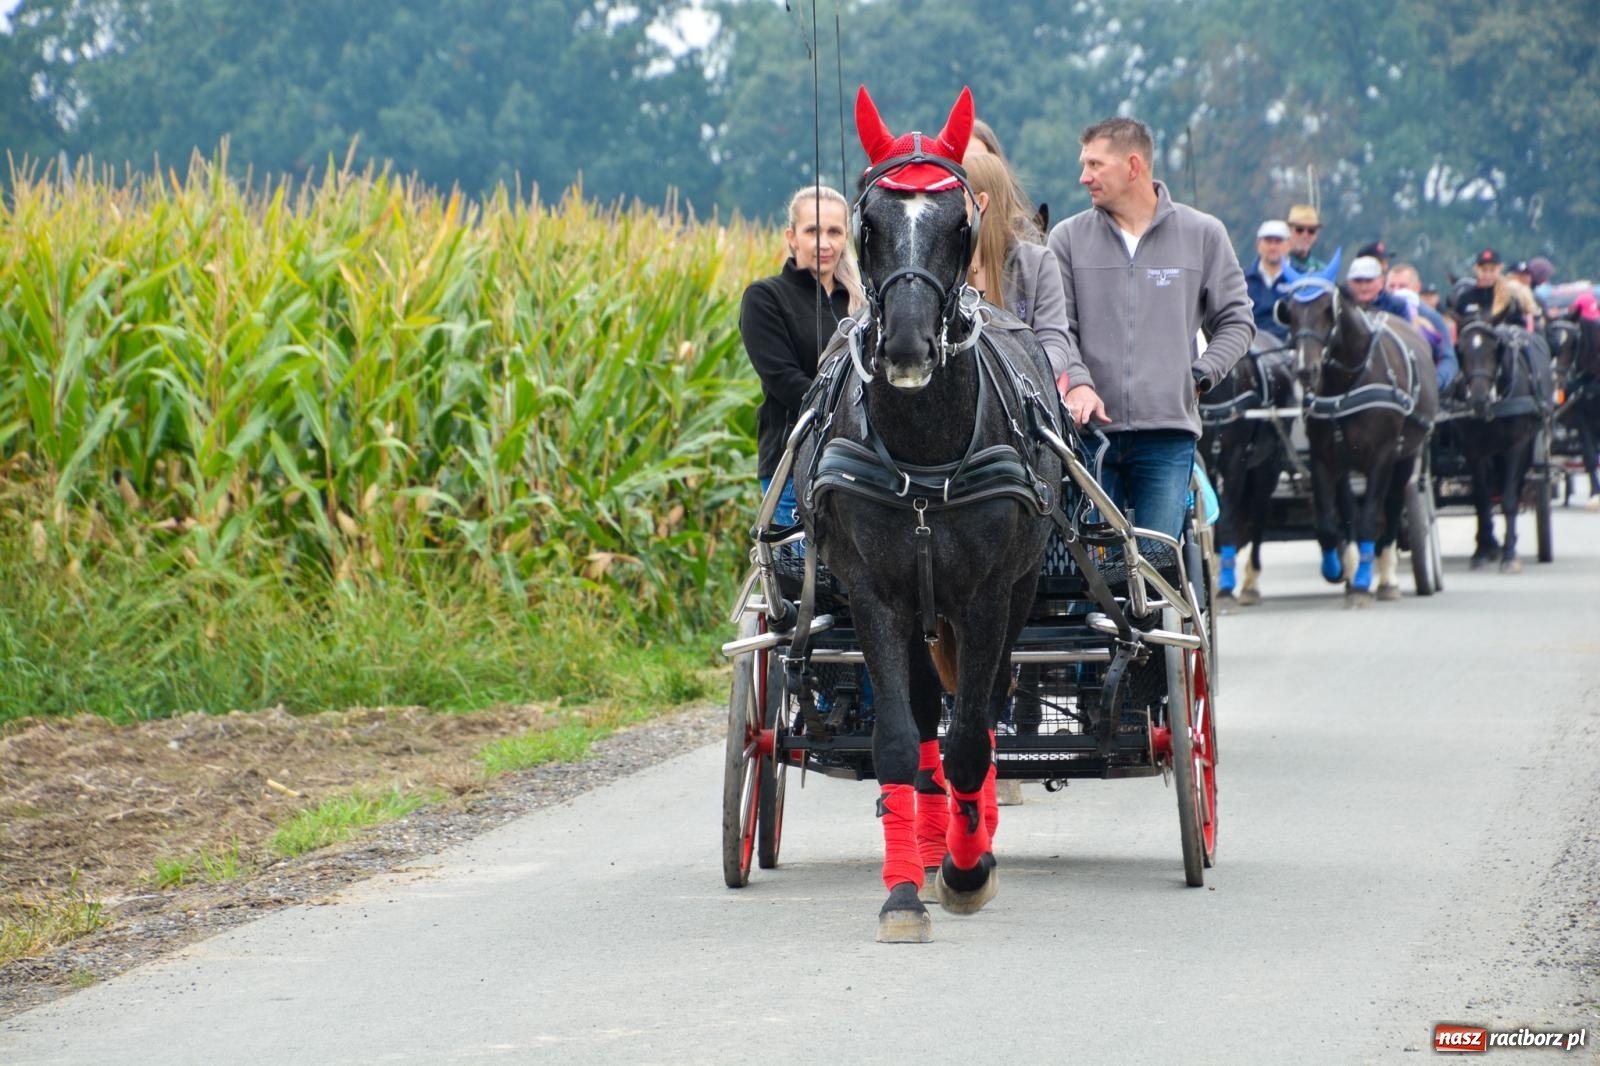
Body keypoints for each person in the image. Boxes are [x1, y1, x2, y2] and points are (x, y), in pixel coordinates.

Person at [1047, 116, 1254, 544]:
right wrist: (1079, 384)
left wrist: (1201, 374)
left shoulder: (1204, 234)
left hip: (1168, 436)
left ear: (1133, 166)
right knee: (1099, 568)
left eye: (1094, 165)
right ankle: (1099, 614)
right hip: (1090, 438)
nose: (1083, 177)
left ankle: (1154, 614)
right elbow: (1056, 328)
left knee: (1155, 563)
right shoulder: (1066, 238)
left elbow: (1236, 320)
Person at [740, 184, 866, 525]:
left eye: (834, 232)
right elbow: (786, 381)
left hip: (863, 470)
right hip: (795, 466)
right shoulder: (765, 298)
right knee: (804, 578)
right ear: (792, 237)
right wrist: (852, 414)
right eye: (813, 231)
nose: (824, 243)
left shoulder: (863, 302)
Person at [962, 151, 1077, 396]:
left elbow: (1055, 345)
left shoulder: (1038, 263)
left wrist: (1009, 380)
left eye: (952, 196)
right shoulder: (943, 268)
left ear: (980, 203)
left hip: (1023, 405)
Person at [1388, 261, 1459, 392]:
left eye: (1402, 286)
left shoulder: (1432, 317)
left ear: (1417, 288)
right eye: (1391, 287)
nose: (1396, 291)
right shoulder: (1380, 316)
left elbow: (1448, 358)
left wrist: (1436, 382)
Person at [1453, 247, 1537, 331]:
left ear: (1500, 269)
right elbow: (1457, 326)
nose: (1488, 275)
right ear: (1476, 269)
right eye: (1484, 270)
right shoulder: (1465, 298)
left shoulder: (1509, 300)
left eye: (1492, 270)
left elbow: (1520, 328)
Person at [1245, 219, 1294, 341]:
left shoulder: (1300, 281)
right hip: (1251, 349)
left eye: (1278, 242)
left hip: (1290, 347)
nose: (1272, 247)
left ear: (1289, 245)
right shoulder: (1242, 280)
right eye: (1268, 241)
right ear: (1258, 245)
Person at [1286, 203, 1326, 273]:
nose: (1305, 235)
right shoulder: (1276, 264)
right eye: (1299, 229)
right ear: (1288, 231)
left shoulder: (1321, 269)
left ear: (1316, 235)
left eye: (1311, 231)